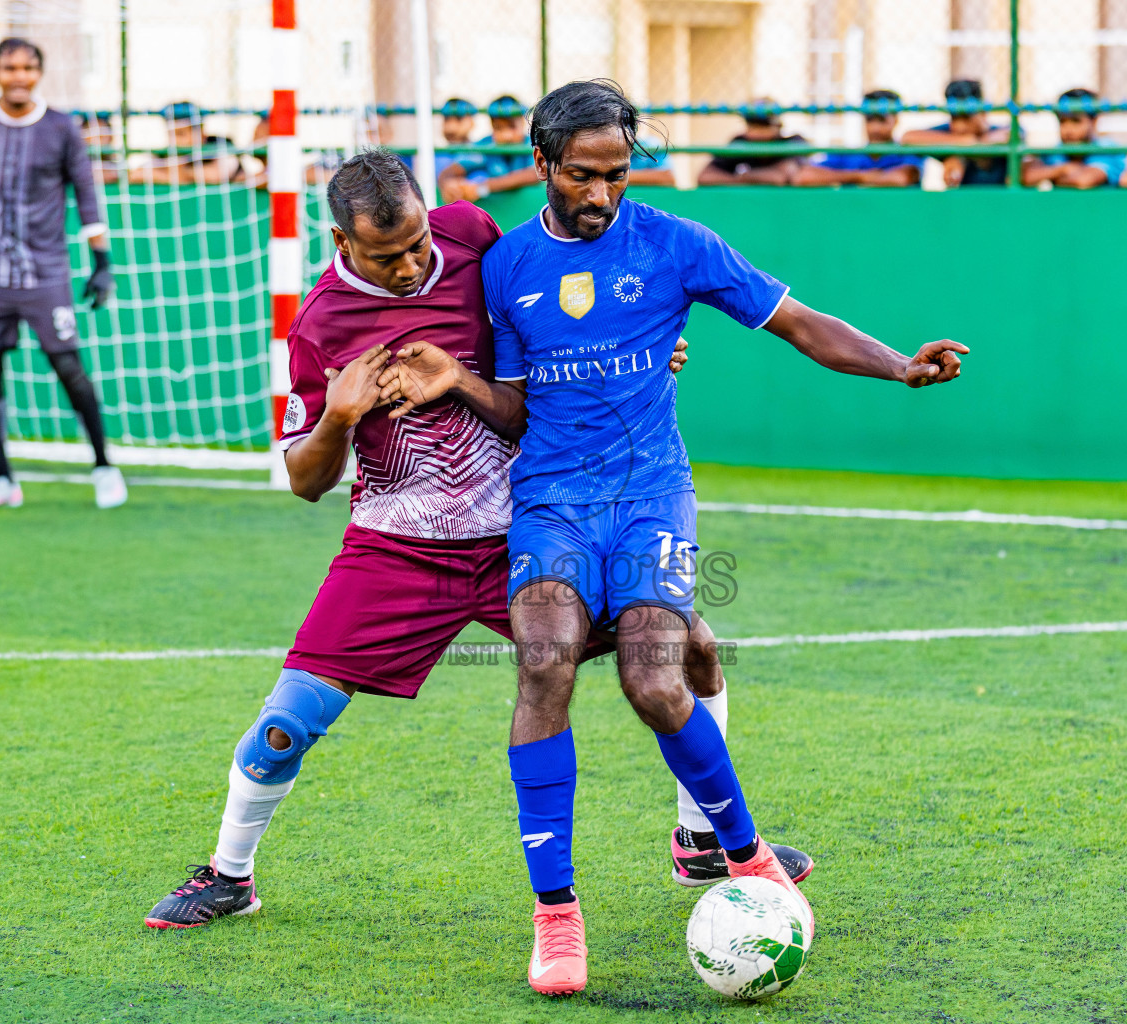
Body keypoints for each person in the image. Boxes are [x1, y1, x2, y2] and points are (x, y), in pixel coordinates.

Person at [141, 150, 811, 931]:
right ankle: (229, 874)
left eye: (419, 244)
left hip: (520, 533)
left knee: (685, 647)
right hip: (395, 552)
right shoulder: (320, 323)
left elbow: (544, 340)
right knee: (285, 725)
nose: (411, 266)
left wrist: (637, 355)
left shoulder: (474, 238)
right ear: (339, 241)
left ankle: (700, 838)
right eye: (387, 258)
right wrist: (338, 416)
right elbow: (303, 479)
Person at [406, 79, 965, 996]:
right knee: (543, 664)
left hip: (650, 496)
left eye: (617, 176)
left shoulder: (674, 242)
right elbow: (513, 409)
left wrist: (898, 365)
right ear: (543, 164)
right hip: (550, 499)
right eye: (583, 177)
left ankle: (742, 860)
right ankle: (555, 916)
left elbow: (798, 323)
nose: (601, 195)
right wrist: (462, 385)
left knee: (656, 679)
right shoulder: (505, 267)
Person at [0, 38, 125, 511]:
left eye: (27, 67)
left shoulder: (61, 128)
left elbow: (85, 195)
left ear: (39, 72)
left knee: (69, 368)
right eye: (9, 67)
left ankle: (103, 467)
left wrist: (101, 263)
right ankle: (2, 480)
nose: (18, 76)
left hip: (46, 274)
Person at [796, 89, 921, 188]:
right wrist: (860, 176)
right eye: (869, 120)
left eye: (882, 120)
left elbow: (900, 178)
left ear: (896, 120)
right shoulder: (849, 154)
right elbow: (805, 176)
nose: (875, 128)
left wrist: (841, 177)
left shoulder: (906, 152)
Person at [901, 78, 1008, 187]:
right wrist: (962, 145)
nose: (959, 126)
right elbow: (908, 137)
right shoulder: (949, 131)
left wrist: (970, 148)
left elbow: (1011, 134)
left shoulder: (999, 130)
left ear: (983, 112)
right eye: (954, 117)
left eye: (966, 117)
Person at [1020, 88, 1124, 189]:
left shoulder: (1107, 149)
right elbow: (1023, 176)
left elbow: (1084, 181)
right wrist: (1063, 170)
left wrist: (1050, 177)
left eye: (1076, 121)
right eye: (1063, 121)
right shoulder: (1056, 151)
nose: (1068, 130)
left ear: (1094, 121)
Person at [437, 95, 537, 200]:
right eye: (498, 128)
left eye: (512, 127)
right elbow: (452, 170)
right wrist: (447, 184)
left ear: (522, 122)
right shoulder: (486, 145)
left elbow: (534, 174)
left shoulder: (533, 144)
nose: (506, 135)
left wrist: (482, 188)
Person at [697, 99, 806, 185]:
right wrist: (743, 180)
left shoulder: (793, 142)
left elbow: (779, 177)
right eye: (752, 125)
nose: (757, 132)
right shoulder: (740, 142)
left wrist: (743, 176)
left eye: (763, 125)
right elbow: (705, 177)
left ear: (777, 126)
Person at [130, 101, 238, 185]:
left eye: (180, 134)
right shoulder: (165, 154)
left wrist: (173, 173)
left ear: (201, 133)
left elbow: (216, 175)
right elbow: (136, 174)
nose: (175, 141)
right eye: (171, 134)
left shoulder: (221, 147)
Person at [74, 111, 121, 185]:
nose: (98, 137)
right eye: (92, 132)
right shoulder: (76, 164)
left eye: (102, 132)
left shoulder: (116, 165)